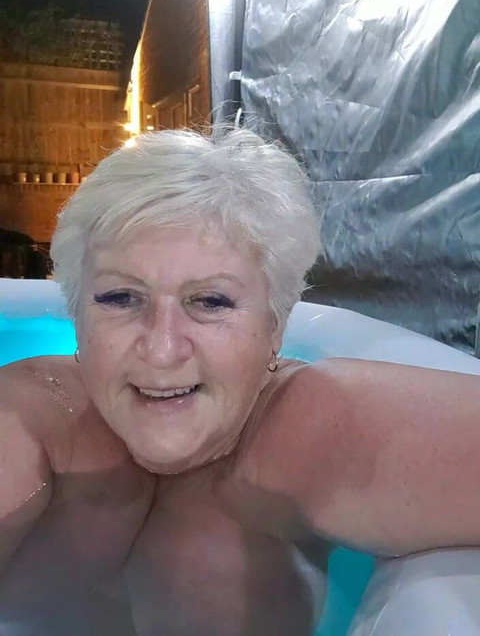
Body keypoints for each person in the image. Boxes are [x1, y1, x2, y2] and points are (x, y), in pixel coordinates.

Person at [1, 125, 480, 636]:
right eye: (121, 298)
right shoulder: (31, 418)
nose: (162, 349)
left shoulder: (307, 429)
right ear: (77, 316)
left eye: (211, 301)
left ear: (275, 326)